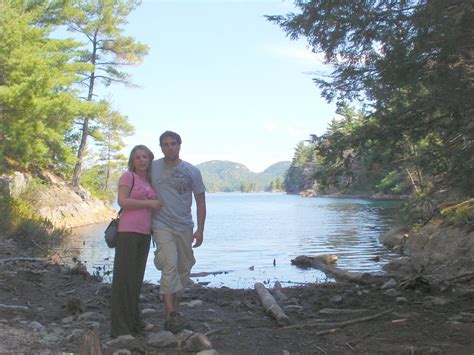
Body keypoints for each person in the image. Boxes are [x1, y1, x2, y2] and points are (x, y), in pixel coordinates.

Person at [151, 130, 206, 333]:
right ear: (161, 148)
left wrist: (200, 230)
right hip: (161, 225)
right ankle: (170, 314)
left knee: (184, 269)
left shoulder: (192, 171)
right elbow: (138, 182)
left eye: (173, 143)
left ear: (180, 145)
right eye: (165, 144)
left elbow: (200, 201)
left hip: (184, 226)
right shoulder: (153, 167)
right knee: (169, 265)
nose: (169, 147)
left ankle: (175, 308)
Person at [110, 145, 162, 337]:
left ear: (150, 160)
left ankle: (135, 322)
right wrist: (149, 203)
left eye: (145, 157)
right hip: (128, 232)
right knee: (123, 280)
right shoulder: (128, 177)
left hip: (144, 234)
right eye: (138, 157)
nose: (142, 160)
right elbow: (122, 201)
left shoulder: (148, 181)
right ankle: (119, 328)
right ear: (133, 160)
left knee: (135, 280)